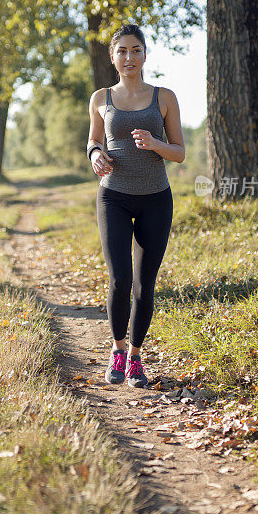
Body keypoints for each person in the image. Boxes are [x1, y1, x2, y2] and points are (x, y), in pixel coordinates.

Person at [86, 23, 185, 387]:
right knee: (119, 278)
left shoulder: (164, 97)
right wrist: (95, 154)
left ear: (145, 55)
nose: (129, 57)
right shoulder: (101, 98)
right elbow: (93, 140)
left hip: (156, 199)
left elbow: (179, 152)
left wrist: (155, 143)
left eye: (136, 50)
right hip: (113, 195)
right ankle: (116, 348)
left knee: (145, 283)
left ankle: (136, 356)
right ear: (113, 58)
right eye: (122, 51)